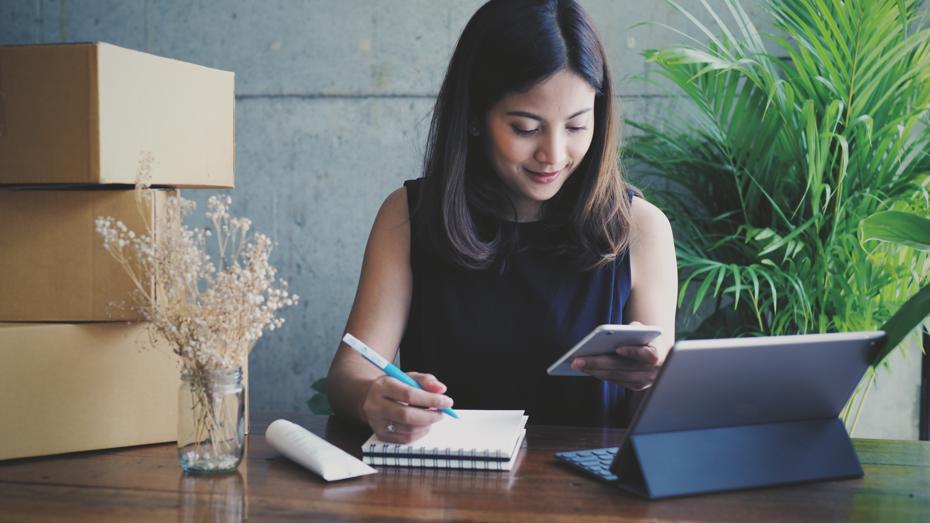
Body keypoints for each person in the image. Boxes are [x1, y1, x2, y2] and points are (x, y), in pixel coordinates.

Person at [327, 0, 677, 444]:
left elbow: (653, 419)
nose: (553, 154)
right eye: (526, 128)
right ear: (474, 116)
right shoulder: (409, 214)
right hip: (442, 490)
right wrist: (374, 397)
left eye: (576, 127)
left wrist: (652, 380)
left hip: (582, 496)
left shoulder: (640, 229)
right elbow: (349, 372)